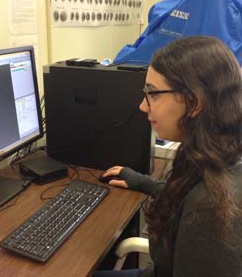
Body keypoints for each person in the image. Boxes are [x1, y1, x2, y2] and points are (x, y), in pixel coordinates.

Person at [93, 36, 242, 277]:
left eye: (153, 94)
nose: (143, 106)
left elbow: (196, 203)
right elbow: (187, 196)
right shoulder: (218, 153)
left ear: (194, 102)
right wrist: (143, 182)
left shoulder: (212, 208)